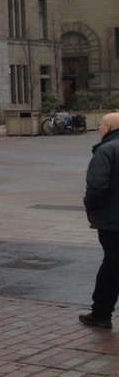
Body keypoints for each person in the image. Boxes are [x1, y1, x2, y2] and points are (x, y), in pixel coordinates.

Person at [80, 112, 119, 330]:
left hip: (112, 222)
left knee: (114, 265)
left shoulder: (106, 150)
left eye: (101, 125)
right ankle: (101, 312)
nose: (99, 129)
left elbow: (96, 187)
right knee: (110, 266)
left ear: (108, 127)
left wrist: (92, 207)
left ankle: (101, 313)